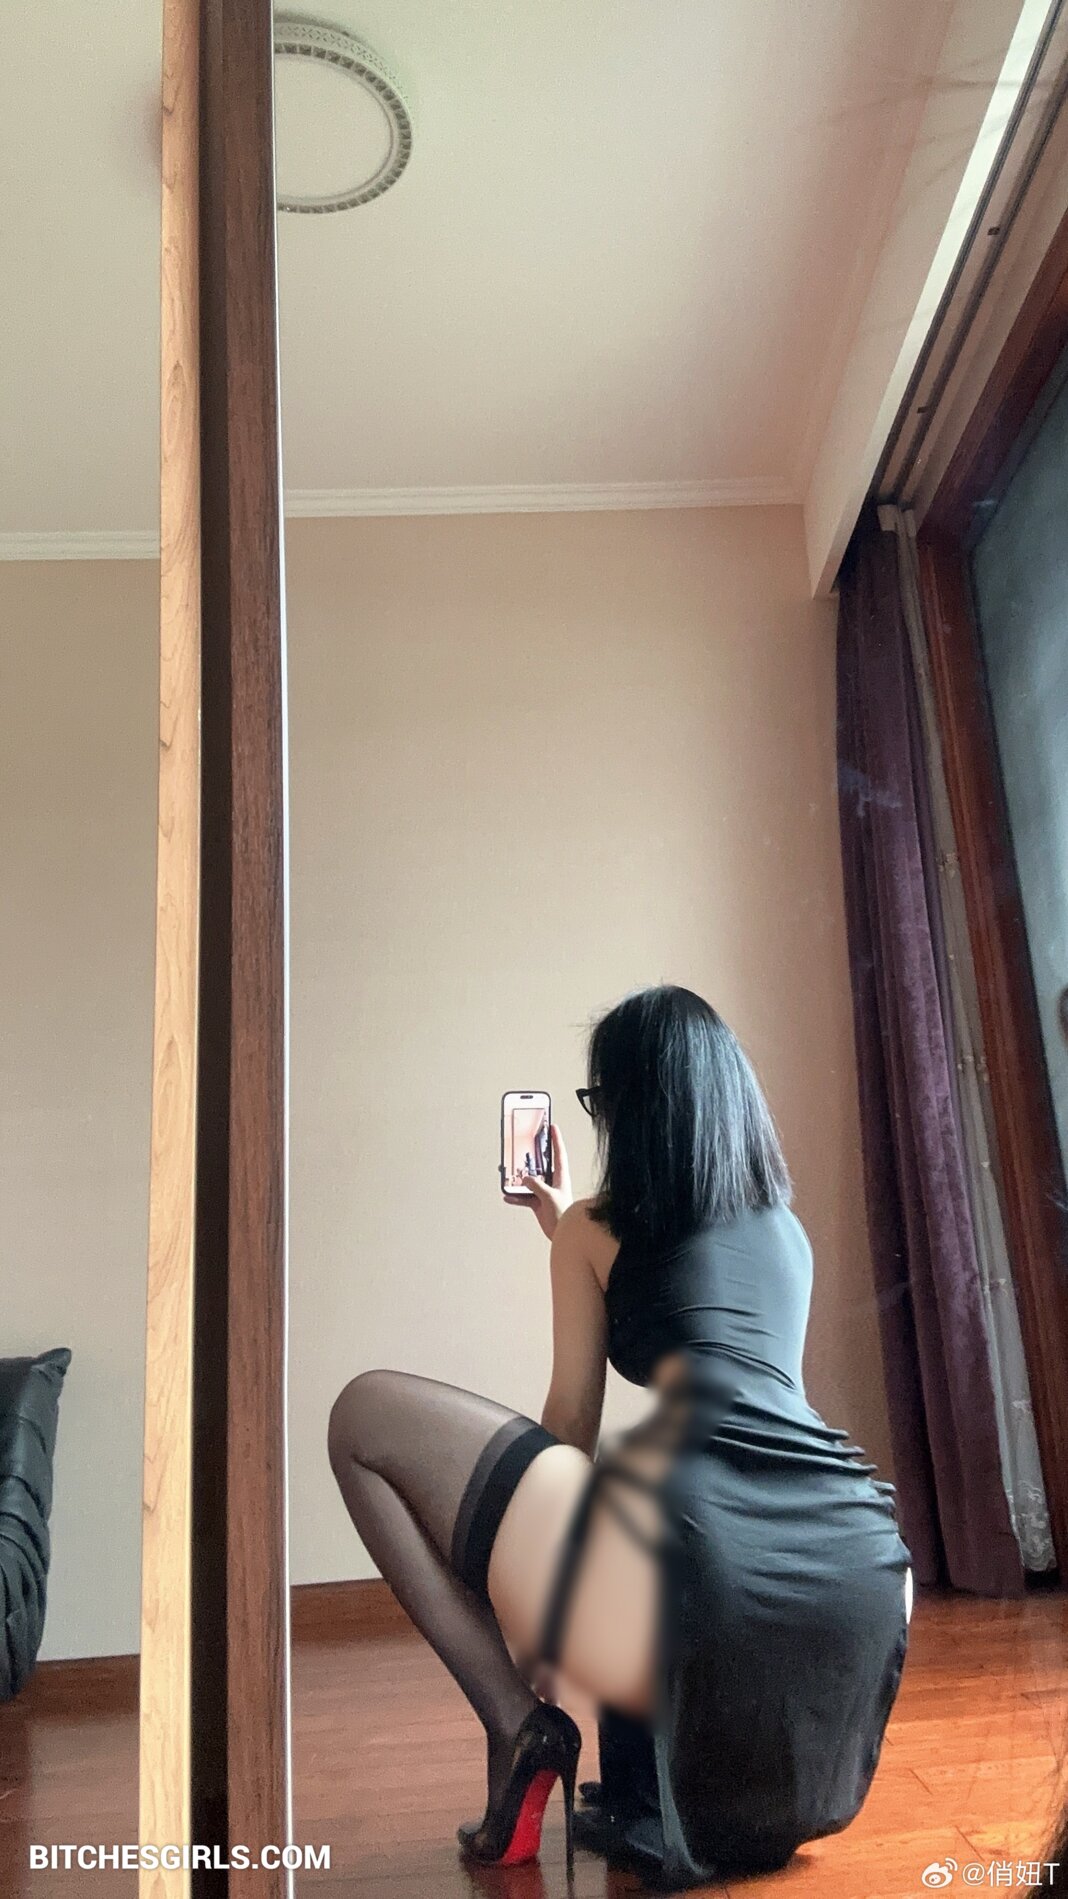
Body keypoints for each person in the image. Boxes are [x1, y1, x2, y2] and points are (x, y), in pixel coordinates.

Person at [327, 985, 913, 1886]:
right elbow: (749, 1397)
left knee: (361, 1416)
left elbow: (570, 1430)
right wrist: (562, 1223)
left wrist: (522, 1611)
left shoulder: (592, 1231)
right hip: (863, 1572)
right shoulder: (787, 1234)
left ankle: (515, 1724)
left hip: (703, 1581)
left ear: (635, 1108)